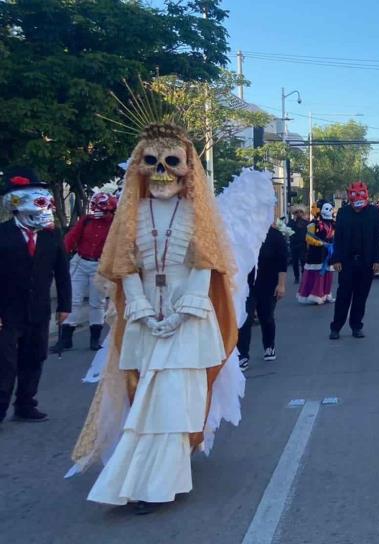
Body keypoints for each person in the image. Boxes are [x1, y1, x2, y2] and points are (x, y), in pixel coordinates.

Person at [78, 110, 242, 512]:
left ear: (187, 169)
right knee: (147, 397)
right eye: (152, 162)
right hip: (145, 318)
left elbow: (206, 264)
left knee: (176, 398)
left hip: (188, 320)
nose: (162, 172)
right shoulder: (130, 215)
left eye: (172, 162)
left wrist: (183, 312)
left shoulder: (196, 214)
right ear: (140, 167)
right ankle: (143, 479)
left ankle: (159, 480)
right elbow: (123, 266)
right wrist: (141, 308)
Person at [0, 168, 70, 424]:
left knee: (34, 357)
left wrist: (65, 306)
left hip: (38, 309)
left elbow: (62, 271)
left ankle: (26, 404)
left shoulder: (51, 236)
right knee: (5, 363)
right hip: (7, 311)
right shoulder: (3, 233)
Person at [53, 186, 117, 352]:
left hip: (100, 266)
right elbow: (71, 237)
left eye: (103, 211)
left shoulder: (115, 226)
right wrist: (59, 257)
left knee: (97, 303)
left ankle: (94, 339)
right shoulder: (87, 220)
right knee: (73, 299)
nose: (98, 214)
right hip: (81, 262)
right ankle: (65, 339)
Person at [329, 181, 379, 339]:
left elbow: (377, 237)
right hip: (346, 262)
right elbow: (337, 237)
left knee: (361, 296)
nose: (357, 206)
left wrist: (377, 260)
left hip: (367, 262)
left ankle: (356, 326)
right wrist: (336, 258)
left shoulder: (374, 212)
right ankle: (336, 327)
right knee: (343, 296)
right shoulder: (343, 213)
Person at [239, 223, 288, 368]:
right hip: (247, 286)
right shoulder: (244, 234)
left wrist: (281, 285)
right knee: (245, 319)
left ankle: (269, 345)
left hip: (268, 284)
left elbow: (282, 263)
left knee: (266, 317)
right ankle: (242, 355)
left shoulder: (275, 235)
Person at [296, 209, 328, 305]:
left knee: (325, 274)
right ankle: (312, 294)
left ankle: (324, 294)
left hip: (325, 252)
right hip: (314, 252)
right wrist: (320, 243)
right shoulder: (312, 224)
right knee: (313, 273)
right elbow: (308, 238)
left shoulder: (329, 224)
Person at [316, 202, 337, 303]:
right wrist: (320, 243)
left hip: (330, 250)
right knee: (320, 273)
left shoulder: (333, 223)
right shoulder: (316, 224)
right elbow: (309, 237)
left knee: (329, 273)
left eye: (330, 209)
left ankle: (327, 293)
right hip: (319, 251)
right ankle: (318, 294)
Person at [287, 206, 309, 284]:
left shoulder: (306, 222)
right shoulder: (291, 222)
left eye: (300, 212)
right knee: (295, 262)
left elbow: (309, 233)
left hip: (303, 244)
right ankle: (296, 277)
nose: (298, 213)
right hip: (293, 244)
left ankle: (304, 277)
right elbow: (287, 231)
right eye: (296, 212)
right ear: (294, 213)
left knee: (303, 261)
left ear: (302, 213)